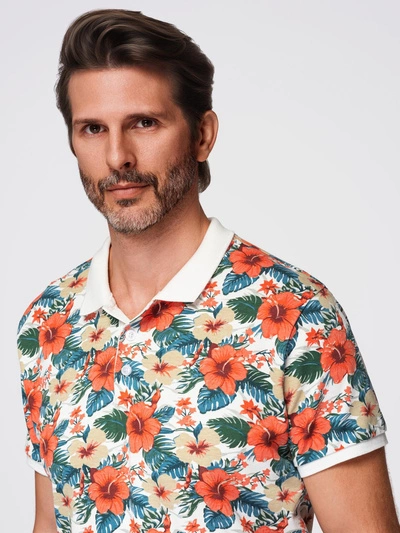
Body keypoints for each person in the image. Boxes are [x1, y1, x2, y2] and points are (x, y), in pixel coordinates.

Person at [17, 9, 399, 533]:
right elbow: (50, 520)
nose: (117, 156)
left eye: (144, 123)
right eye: (93, 129)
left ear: (202, 135)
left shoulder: (296, 315)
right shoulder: (46, 324)